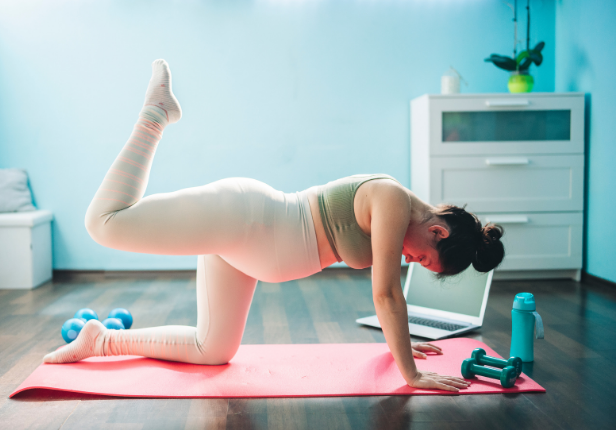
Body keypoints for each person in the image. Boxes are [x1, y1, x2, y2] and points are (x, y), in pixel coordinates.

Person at [43, 60, 504, 392]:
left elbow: (389, 299)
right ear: (438, 231)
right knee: (103, 224)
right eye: (421, 256)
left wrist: (402, 345)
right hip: (247, 221)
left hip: (249, 247)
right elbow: (386, 294)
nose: (411, 259)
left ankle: (99, 341)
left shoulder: (399, 212)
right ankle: (156, 115)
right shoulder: (392, 200)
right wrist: (411, 373)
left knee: (212, 348)